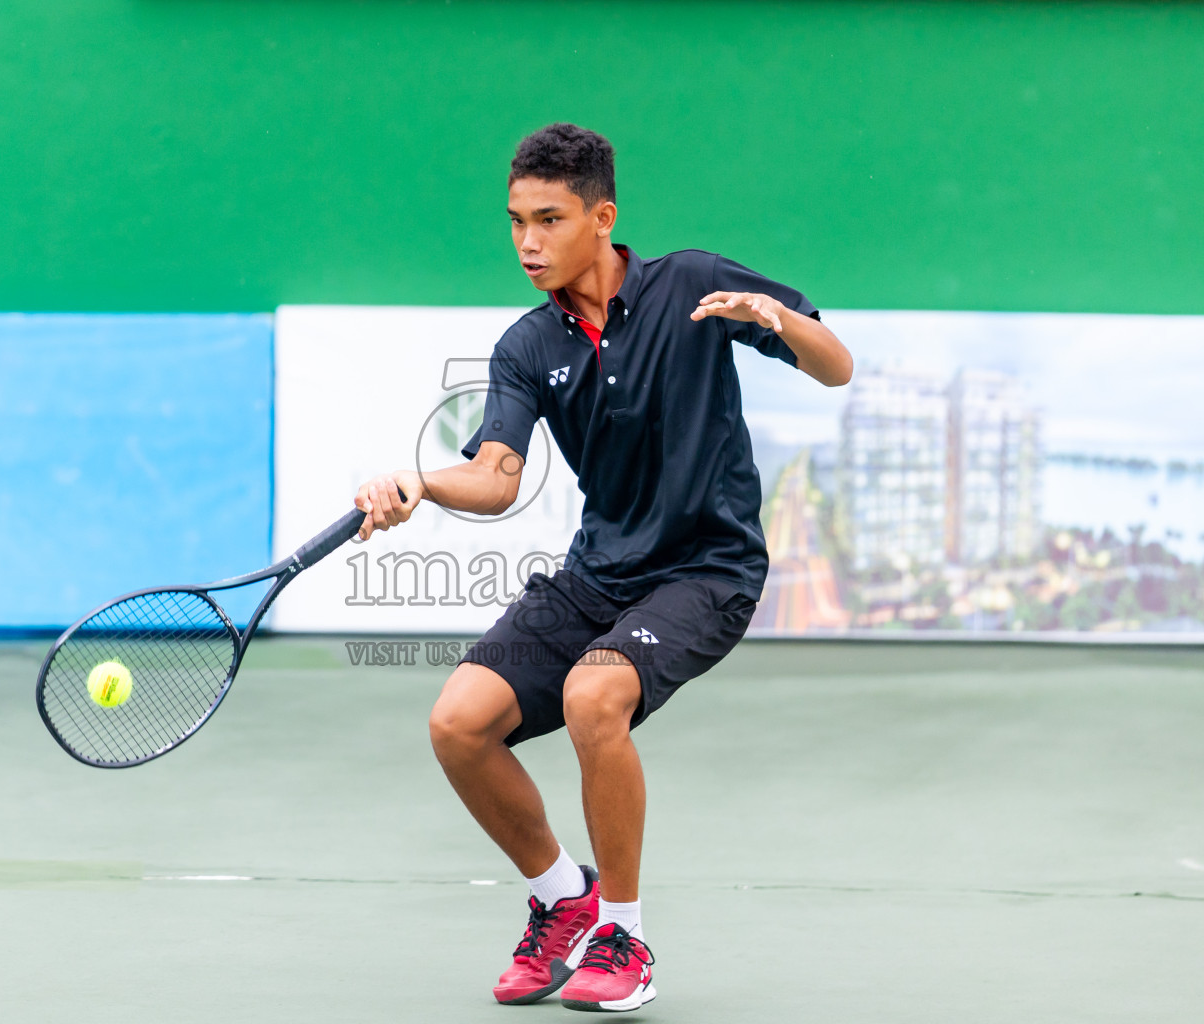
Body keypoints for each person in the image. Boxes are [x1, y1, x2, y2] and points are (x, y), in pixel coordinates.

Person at [354, 122, 852, 1013]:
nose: (528, 243)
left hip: (709, 569)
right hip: (599, 570)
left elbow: (836, 367)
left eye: (548, 219)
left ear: (602, 216)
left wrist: (777, 320)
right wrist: (421, 481)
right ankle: (560, 899)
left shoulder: (694, 284)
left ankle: (623, 931)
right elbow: (497, 479)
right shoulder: (526, 347)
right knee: (458, 722)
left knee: (595, 694)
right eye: (515, 222)